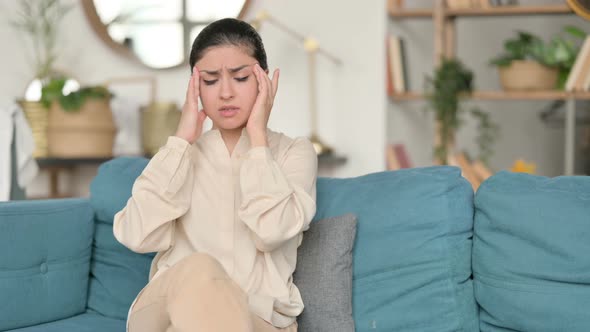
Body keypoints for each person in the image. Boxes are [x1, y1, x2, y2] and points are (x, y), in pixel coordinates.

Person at [113, 18, 317, 332]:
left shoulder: (294, 153)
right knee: (200, 268)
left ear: (264, 80)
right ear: (194, 88)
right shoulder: (180, 156)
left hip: (258, 319)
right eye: (210, 80)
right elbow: (137, 234)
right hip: (169, 312)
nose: (225, 92)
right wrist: (181, 140)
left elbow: (271, 231)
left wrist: (258, 141)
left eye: (240, 77)